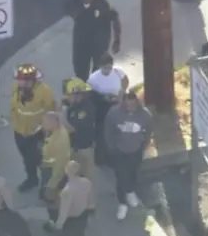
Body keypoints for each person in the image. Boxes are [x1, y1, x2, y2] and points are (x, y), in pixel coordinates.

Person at [104, 90, 153, 220]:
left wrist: (143, 145)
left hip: (136, 150)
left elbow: (148, 132)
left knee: (132, 173)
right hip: (119, 150)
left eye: (132, 104)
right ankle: (122, 203)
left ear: (137, 102)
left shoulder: (145, 115)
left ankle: (130, 191)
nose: (129, 107)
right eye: (127, 105)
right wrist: (111, 147)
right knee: (121, 176)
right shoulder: (114, 113)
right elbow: (108, 131)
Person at [10, 63, 56, 192]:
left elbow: (51, 112)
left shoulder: (45, 91)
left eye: (21, 80)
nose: (18, 82)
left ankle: (47, 185)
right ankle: (32, 179)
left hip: (38, 133)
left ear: (30, 81)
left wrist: (45, 129)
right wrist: (16, 125)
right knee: (27, 158)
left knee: (41, 160)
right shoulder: (16, 88)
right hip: (20, 132)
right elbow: (13, 108)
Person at [66, 0, 122, 81]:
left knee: (98, 69)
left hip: (99, 42)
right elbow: (68, 7)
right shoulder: (75, 1)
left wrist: (117, 41)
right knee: (80, 67)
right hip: (81, 41)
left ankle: (95, 88)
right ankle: (83, 87)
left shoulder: (102, 3)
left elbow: (115, 19)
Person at [61, 78, 96, 209]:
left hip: (84, 148)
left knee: (88, 177)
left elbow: (71, 128)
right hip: (73, 147)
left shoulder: (86, 109)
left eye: (71, 95)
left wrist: (62, 114)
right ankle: (77, 201)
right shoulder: (72, 106)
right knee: (73, 176)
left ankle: (90, 203)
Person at [88, 53, 130, 164]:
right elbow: (91, 95)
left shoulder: (117, 72)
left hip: (116, 106)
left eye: (109, 67)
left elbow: (125, 79)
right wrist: (104, 98)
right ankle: (100, 158)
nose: (107, 70)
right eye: (105, 67)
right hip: (102, 109)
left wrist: (122, 91)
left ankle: (114, 157)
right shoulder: (94, 78)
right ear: (100, 66)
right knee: (101, 134)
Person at [39, 112, 71, 230]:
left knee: (53, 202)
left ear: (54, 123)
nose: (42, 125)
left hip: (54, 174)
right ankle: (54, 221)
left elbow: (60, 164)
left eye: (45, 123)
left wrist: (52, 184)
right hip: (49, 170)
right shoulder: (54, 133)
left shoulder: (60, 140)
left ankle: (59, 228)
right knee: (51, 201)